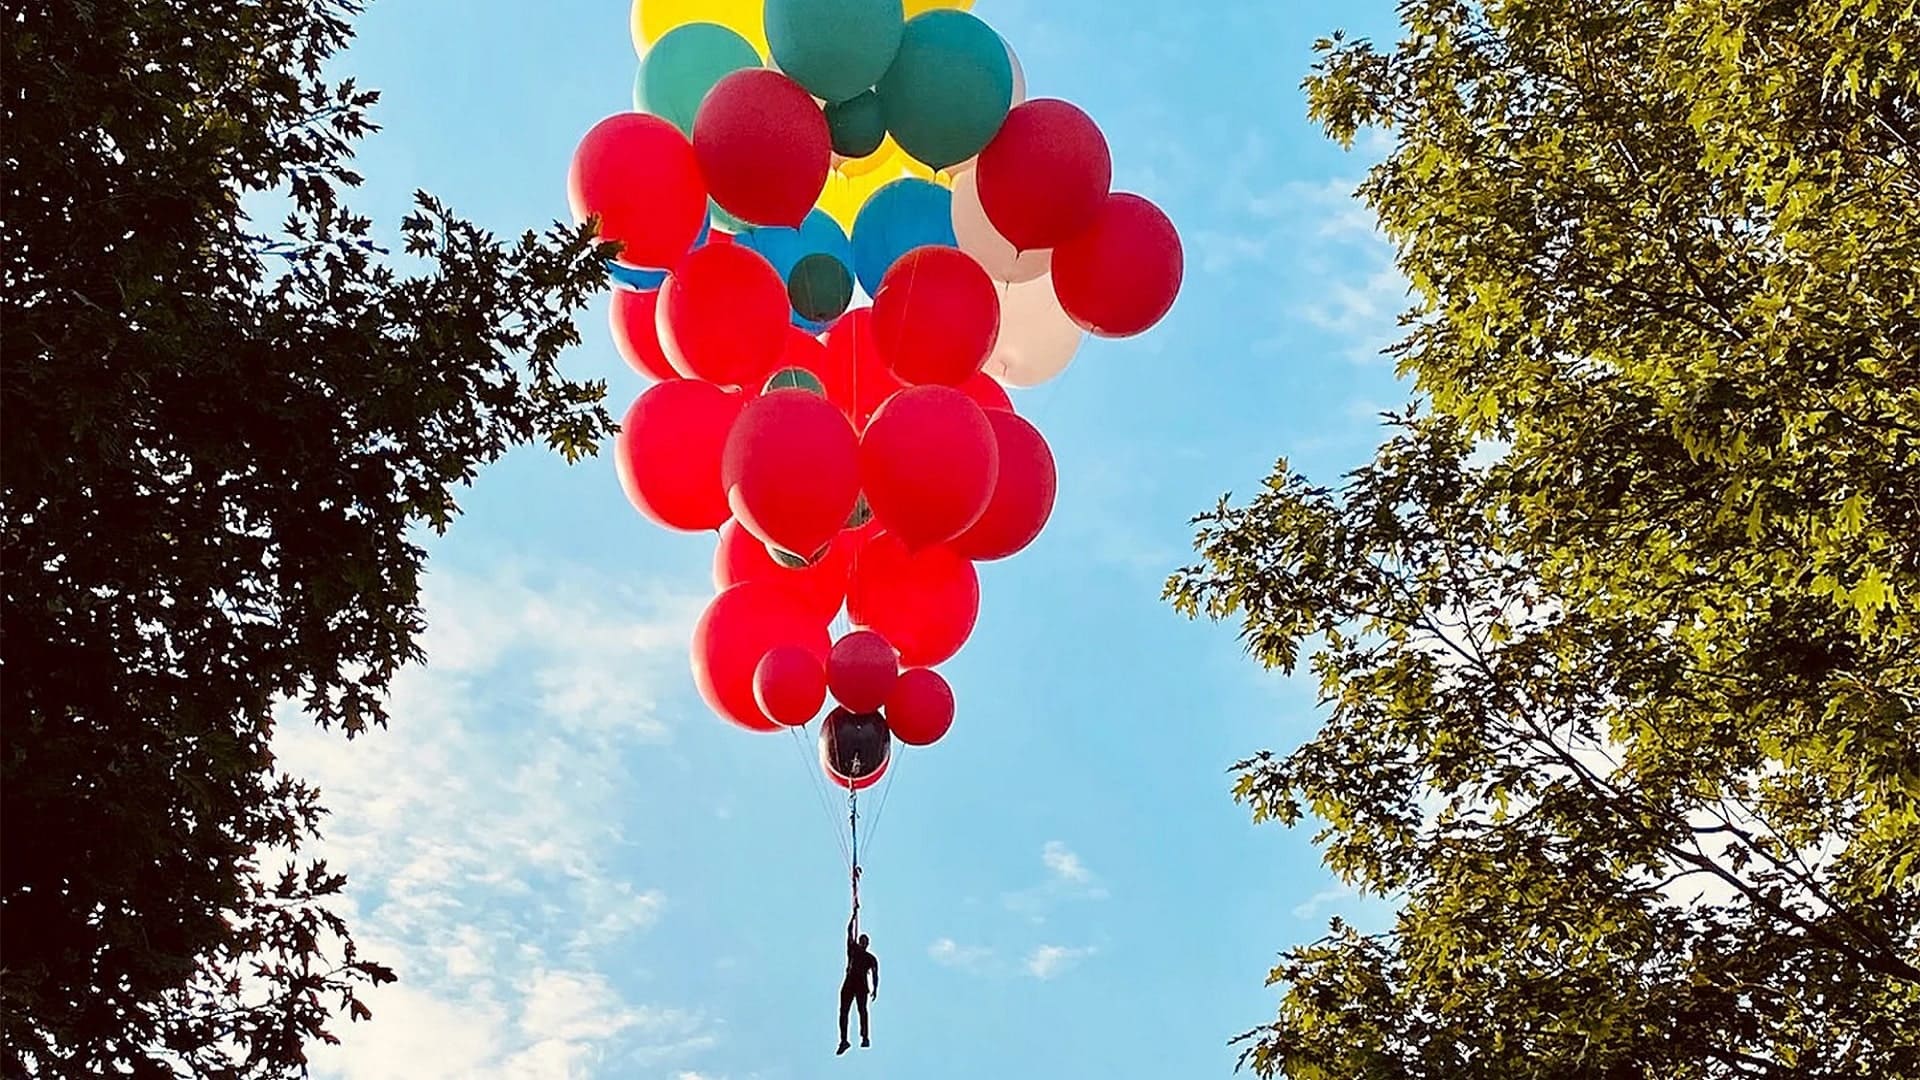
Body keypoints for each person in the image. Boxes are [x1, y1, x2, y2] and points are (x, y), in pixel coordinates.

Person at [837, 908, 879, 1054]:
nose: (862, 942)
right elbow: (849, 932)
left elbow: (875, 973)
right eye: (861, 940)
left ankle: (865, 1037)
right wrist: (853, 916)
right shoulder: (853, 948)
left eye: (864, 941)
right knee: (843, 1011)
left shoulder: (870, 958)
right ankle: (843, 1040)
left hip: (861, 985)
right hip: (849, 982)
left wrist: (875, 988)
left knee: (862, 1011)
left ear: (867, 944)